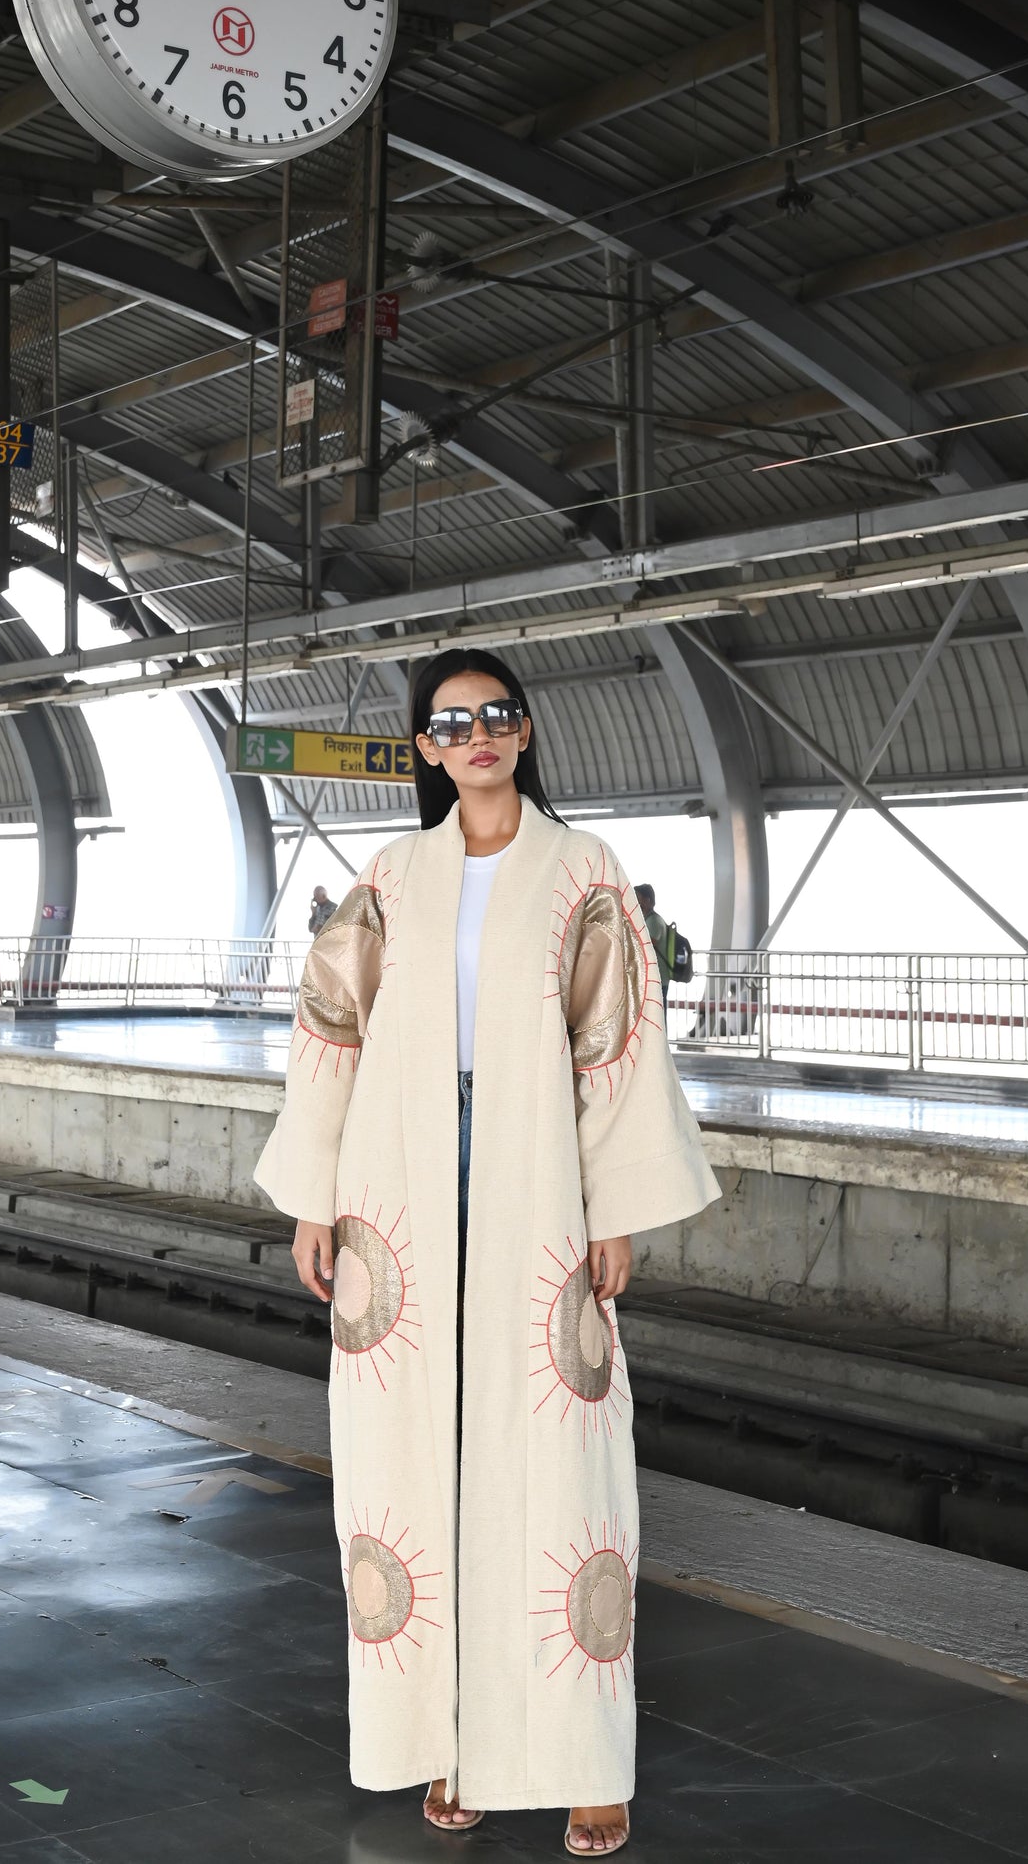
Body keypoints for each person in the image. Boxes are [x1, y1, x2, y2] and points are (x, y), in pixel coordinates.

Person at [255, 646, 719, 1854]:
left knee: (560, 1467)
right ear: (423, 748)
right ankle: (445, 1740)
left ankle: (579, 1761)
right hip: (395, 1178)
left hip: (534, 1177)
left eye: (495, 715)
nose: (475, 735)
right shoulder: (391, 875)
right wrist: (313, 1196)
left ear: (522, 732)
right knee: (413, 1459)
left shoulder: (581, 869)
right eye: (450, 721)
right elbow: (330, 1028)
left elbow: (616, 1039)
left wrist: (610, 1205)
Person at [634, 883, 672, 997]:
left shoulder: (653, 921)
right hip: (656, 977)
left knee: (658, 1011)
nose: (636, 902)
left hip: (658, 977)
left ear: (647, 900)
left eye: (638, 898)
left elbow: (647, 944)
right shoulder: (650, 919)